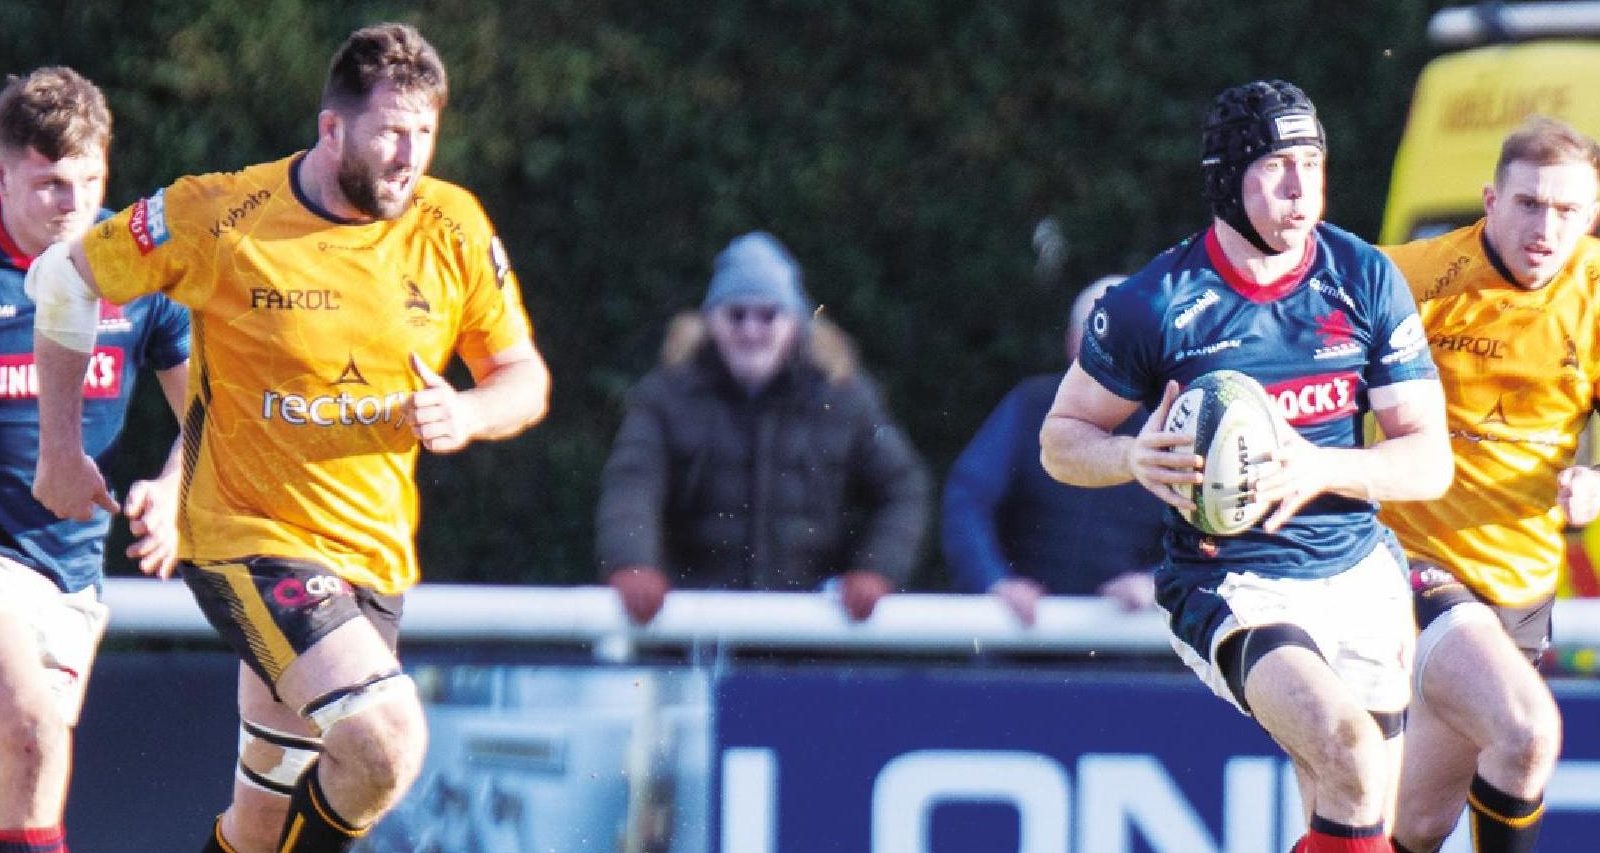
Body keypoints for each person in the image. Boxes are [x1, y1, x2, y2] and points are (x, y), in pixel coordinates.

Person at [27, 23, 550, 853]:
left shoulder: (451, 223)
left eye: (425, 133)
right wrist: (60, 449)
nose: (409, 155)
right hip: (247, 540)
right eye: (389, 132)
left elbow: (523, 374)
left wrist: (472, 412)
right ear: (332, 127)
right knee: (386, 740)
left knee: (261, 823)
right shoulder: (220, 213)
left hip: (370, 558)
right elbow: (62, 278)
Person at [1039, 79, 1452, 853]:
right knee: (1352, 756)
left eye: (1312, 163)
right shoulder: (1154, 302)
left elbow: (1428, 460)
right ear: (1228, 179)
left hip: (1359, 572)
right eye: (1274, 166)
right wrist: (1131, 455)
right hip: (1232, 582)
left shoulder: (1363, 277)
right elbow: (1060, 440)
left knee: (1364, 819)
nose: (1300, 190)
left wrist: (1316, 467)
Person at [1378, 115, 1600, 853]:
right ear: (1490, 201)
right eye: (1529, 204)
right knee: (1528, 732)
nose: (1547, 227)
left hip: (1521, 588)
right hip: (1410, 564)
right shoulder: (1413, 277)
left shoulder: (1595, 295)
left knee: (1414, 824)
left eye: (1568, 210)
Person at [0, 67, 189, 853]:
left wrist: (176, 490)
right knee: (34, 723)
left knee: (28, 761)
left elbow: (210, 410)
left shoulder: (137, 266)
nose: (73, 203)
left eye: (89, 179)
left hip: (69, 566)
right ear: (3, 172)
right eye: (48, 184)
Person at [596, 231, 930, 625]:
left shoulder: (844, 396)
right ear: (711, 321)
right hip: (695, 632)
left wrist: (876, 571)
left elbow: (903, 486)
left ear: (795, 323)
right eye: (736, 314)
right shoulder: (664, 397)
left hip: (814, 634)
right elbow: (632, 484)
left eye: (768, 314)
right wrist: (632, 563)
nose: (751, 330)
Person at [943, 274, 1164, 625]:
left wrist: (1157, 582)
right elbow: (967, 498)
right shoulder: (1029, 405)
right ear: (1072, 343)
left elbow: (1211, 533)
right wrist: (996, 581)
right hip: (1022, 637)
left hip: (1128, 649)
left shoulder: (1174, 425)